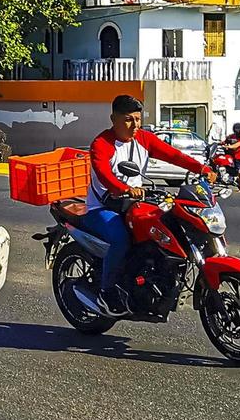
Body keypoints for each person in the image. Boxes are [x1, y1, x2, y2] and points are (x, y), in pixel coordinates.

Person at [82, 94, 215, 317]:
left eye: (138, 119)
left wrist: (201, 169)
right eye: (128, 119)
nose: (135, 125)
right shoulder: (101, 144)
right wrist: (123, 188)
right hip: (104, 207)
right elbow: (103, 174)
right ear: (113, 119)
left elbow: (173, 155)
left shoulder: (143, 138)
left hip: (135, 203)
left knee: (168, 227)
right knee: (121, 239)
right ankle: (106, 293)